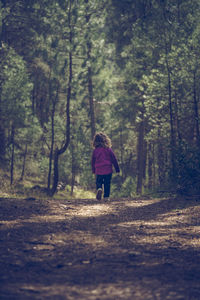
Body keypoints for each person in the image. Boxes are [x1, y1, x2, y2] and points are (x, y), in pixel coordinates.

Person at [91, 132, 120, 200]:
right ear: (106, 140)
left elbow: (93, 161)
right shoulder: (108, 149)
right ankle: (106, 197)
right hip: (108, 169)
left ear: (95, 141)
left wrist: (93, 170)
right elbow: (114, 159)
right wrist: (117, 168)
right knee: (107, 183)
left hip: (98, 169)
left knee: (99, 182)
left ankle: (99, 188)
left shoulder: (95, 151)